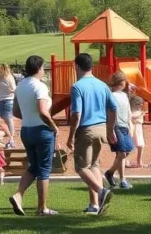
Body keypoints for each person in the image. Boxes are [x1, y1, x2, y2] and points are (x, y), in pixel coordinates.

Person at [9, 54, 59, 217]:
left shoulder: (21, 85)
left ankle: (19, 195)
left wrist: (30, 117)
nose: (44, 70)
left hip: (26, 130)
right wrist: (54, 127)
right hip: (42, 131)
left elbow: (15, 111)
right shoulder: (40, 86)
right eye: (43, 67)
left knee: (34, 166)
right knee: (44, 169)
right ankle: (42, 208)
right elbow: (43, 112)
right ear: (38, 68)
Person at [66, 53, 116, 215]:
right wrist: (110, 129)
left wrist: (71, 135)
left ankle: (101, 191)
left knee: (81, 167)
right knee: (93, 165)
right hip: (101, 128)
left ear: (77, 66)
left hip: (86, 129)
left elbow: (76, 114)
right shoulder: (102, 85)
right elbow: (113, 108)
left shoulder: (77, 87)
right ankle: (94, 205)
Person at [105, 71, 134, 190]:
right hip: (116, 126)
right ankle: (115, 176)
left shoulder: (124, 95)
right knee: (121, 153)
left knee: (126, 152)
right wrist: (110, 129)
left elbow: (128, 111)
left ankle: (113, 174)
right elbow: (110, 112)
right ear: (121, 82)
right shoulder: (112, 95)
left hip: (124, 125)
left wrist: (130, 124)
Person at [128, 95, 145, 168]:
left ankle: (139, 161)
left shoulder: (137, 111)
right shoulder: (135, 112)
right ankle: (137, 161)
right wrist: (140, 114)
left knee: (139, 145)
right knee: (139, 145)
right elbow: (132, 116)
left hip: (138, 128)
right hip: (135, 128)